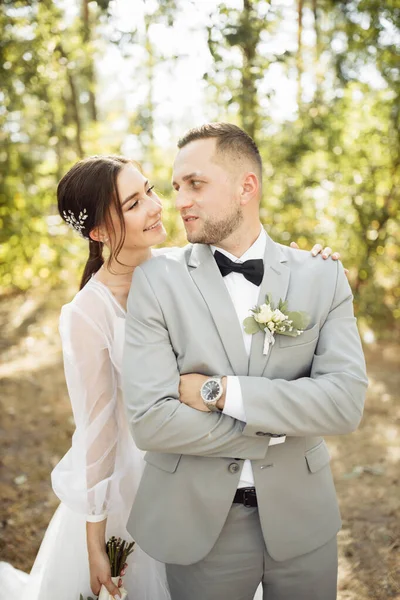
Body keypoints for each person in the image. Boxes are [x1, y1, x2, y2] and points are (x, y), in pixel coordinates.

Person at [0, 152, 342, 600]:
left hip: (215, 469)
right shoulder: (88, 313)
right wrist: (96, 537)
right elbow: (98, 430)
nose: (156, 206)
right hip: (140, 481)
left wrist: (312, 267)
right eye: (132, 203)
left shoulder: (193, 265)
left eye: (151, 191)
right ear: (99, 231)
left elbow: (263, 274)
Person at [122, 123, 368, 600]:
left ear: (246, 187)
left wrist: (220, 393)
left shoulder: (321, 276)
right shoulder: (155, 280)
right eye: (176, 188)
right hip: (199, 528)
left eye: (195, 184)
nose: (179, 201)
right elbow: (151, 421)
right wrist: (276, 427)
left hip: (303, 523)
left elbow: (344, 404)